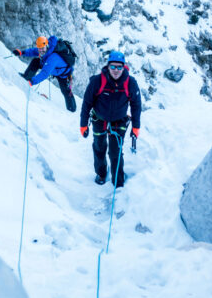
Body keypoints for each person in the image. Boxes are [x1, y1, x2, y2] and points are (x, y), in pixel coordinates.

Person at [79, 51, 141, 187]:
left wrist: (136, 126)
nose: (116, 70)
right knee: (99, 146)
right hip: (99, 118)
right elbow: (87, 103)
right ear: (108, 66)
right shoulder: (97, 81)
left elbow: (136, 105)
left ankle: (117, 180)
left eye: (119, 67)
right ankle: (101, 173)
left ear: (124, 67)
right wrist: (83, 124)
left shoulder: (130, 83)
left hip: (119, 119)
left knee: (115, 150)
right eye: (113, 66)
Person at [12, 35, 77, 112]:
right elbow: (33, 51)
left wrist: (32, 82)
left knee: (65, 91)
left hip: (63, 74)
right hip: (54, 69)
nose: (41, 51)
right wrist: (21, 52)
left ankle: (71, 110)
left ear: (47, 45)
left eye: (42, 48)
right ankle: (26, 78)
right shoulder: (44, 49)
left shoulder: (53, 57)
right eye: (39, 48)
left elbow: (45, 73)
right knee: (36, 61)